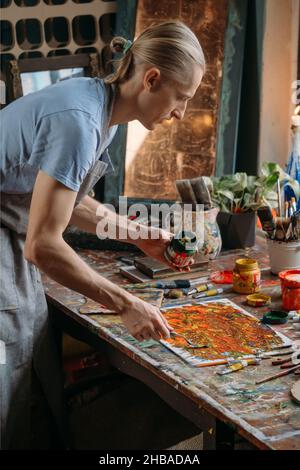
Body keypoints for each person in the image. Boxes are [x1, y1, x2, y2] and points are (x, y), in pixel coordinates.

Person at [0, 21, 205, 449]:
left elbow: (67, 200)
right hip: (11, 232)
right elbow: (43, 243)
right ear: (152, 79)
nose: (181, 113)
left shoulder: (101, 107)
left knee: (31, 347)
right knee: (9, 354)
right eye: (181, 98)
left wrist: (135, 234)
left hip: (13, 226)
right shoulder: (80, 121)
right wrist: (126, 303)